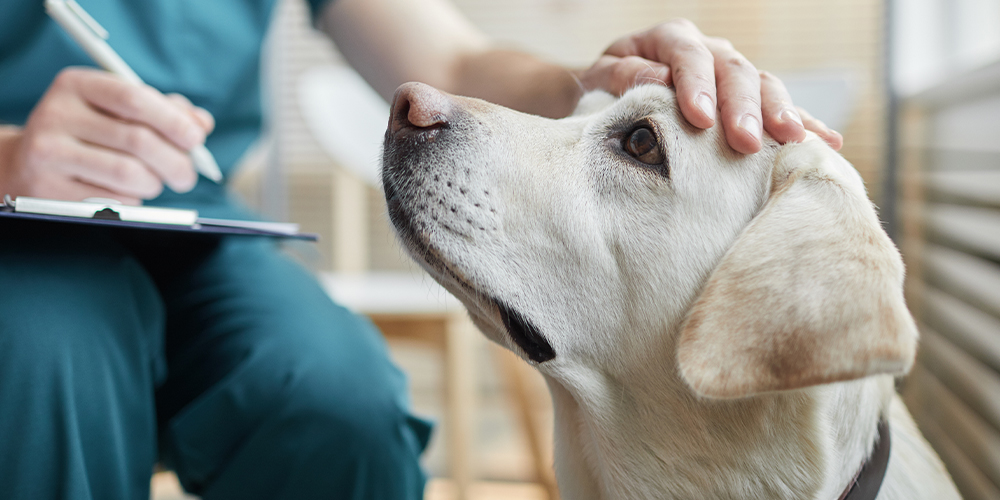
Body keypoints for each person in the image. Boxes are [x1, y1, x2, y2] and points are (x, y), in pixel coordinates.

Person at [0, 0, 841, 499]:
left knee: (339, 397)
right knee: (43, 361)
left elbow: (453, 57)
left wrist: (597, 80)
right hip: (13, 229)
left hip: (198, 224)